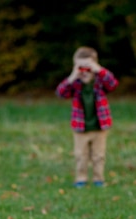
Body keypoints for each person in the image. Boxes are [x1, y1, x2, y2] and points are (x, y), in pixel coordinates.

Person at [56, 46, 119, 188]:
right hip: (80, 127)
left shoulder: (99, 81)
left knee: (99, 155)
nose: (84, 72)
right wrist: (72, 76)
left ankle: (99, 179)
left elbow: (113, 83)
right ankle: (81, 179)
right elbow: (60, 93)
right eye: (80, 67)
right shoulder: (76, 84)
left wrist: (98, 70)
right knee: (80, 155)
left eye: (87, 67)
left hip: (99, 126)